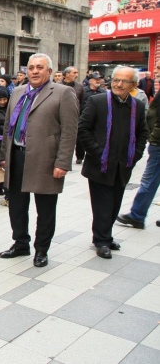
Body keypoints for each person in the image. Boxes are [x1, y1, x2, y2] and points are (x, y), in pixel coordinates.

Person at [0, 53, 78, 268]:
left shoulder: (63, 93)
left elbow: (69, 131)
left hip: (46, 159)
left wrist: (62, 163)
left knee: (45, 208)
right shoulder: (17, 92)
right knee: (16, 205)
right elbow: (8, 127)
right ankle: (20, 243)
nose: (34, 71)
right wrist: (4, 156)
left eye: (39, 67)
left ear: (49, 72)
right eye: (31, 67)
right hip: (16, 157)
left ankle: (41, 249)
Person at [79, 66, 148, 259]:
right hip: (99, 164)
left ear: (133, 85)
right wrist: (97, 152)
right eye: (115, 79)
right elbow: (83, 129)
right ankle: (101, 240)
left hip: (123, 165)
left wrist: (136, 154)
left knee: (115, 203)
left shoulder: (137, 106)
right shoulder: (97, 101)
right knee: (102, 204)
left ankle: (106, 236)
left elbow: (143, 132)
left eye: (124, 81)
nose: (118, 84)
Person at [118, 62, 160, 230]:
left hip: (158, 143)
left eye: (158, 68)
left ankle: (137, 214)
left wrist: (154, 133)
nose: (156, 71)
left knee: (149, 180)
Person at [62, 66, 85, 165]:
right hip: (61, 115)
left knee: (77, 138)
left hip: (76, 117)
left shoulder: (80, 87)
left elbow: (82, 102)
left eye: (77, 73)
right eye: (74, 73)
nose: (76, 75)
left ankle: (79, 156)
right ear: (67, 74)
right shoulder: (57, 86)